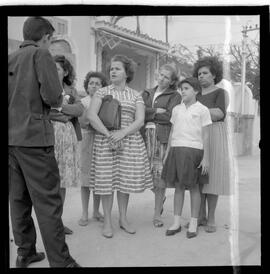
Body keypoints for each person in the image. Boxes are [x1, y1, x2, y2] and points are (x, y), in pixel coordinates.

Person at [8, 17, 80, 267]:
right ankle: (62, 262)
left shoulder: (10, 58)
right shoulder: (41, 55)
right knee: (49, 203)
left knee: (18, 200)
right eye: (50, 40)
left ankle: (25, 252)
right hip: (36, 138)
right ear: (46, 37)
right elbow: (51, 96)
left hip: (12, 140)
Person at [87, 54, 153, 238]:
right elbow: (92, 116)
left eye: (117, 68)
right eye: (111, 69)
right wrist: (110, 135)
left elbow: (140, 120)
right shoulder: (102, 92)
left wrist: (122, 134)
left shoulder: (135, 95)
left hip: (129, 142)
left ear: (126, 73)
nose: (113, 71)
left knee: (124, 182)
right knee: (106, 182)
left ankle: (123, 218)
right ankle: (107, 220)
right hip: (105, 141)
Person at [161, 77, 212, 238]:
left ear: (196, 90)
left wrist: (206, 157)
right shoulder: (176, 109)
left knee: (195, 187)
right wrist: (168, 153)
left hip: (194, 151)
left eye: (187, 88)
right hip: (176, 149)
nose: (183, 91)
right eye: (181, 88)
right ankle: (176, 222)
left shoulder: (202, 110)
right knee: (178, 186)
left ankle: (194, 223)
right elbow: (172, 133)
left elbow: (206, 135)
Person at [193, 56, 234, 233]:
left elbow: (218, 114)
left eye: (205, 73)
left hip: (215, 134)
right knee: (197, 179)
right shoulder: (195, 95)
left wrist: (197, 110)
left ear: (214, 75)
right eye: (199, 73)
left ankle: (211, 217)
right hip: (196, 135)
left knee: (213, 178)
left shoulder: (221, 93)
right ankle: (199, 216)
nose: (201, 76)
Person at [141, 64, 182, 228]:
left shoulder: (175, 96)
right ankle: (161, 195)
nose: (162, 78)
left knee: (159, 176)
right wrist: (154, 111)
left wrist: (149, 112)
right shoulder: (147, 92)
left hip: (161, 138)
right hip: (143, 137)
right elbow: (138, 113)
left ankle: (157, 214)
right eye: (161, 75)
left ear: (172, 81)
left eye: (167, 77)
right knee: (142, 174)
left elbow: (170, 116)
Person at [50, 55, 84, 235]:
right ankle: (50, 223)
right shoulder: (44, 87)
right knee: (49, 181)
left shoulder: (70, 89)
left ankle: (59, 223)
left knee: (62, 181)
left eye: (56, 69)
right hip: (50, 136)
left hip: (68, 138)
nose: (53, 71)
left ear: (65, 72)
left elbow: (79, 109)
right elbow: (45, 112)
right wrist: (62, 115)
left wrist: (61, 109)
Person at [78, 71, 107, 226]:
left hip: (101, 141)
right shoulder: (83, 102)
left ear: (103, 87)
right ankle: (84, 212)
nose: (94, 86)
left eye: (98, 83)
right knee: (86, 179)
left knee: (98, 178)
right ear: (87, 86)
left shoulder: (105, 102)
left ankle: (96, 211)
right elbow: (83, 122)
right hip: (87, 139)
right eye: (91, 83)